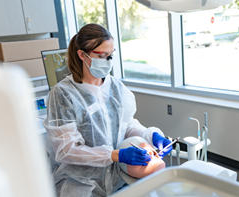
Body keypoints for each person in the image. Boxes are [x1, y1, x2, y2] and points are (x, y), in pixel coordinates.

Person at [43, 23, 172, 197]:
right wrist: (115, 155)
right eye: (102, 56)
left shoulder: (116, 87)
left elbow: (125, 125)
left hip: (116, 178)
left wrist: (150, 135)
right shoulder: (63, 94)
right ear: (82, 55)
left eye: (110, 55)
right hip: (79, 183)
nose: (108, 61)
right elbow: (67, 150)